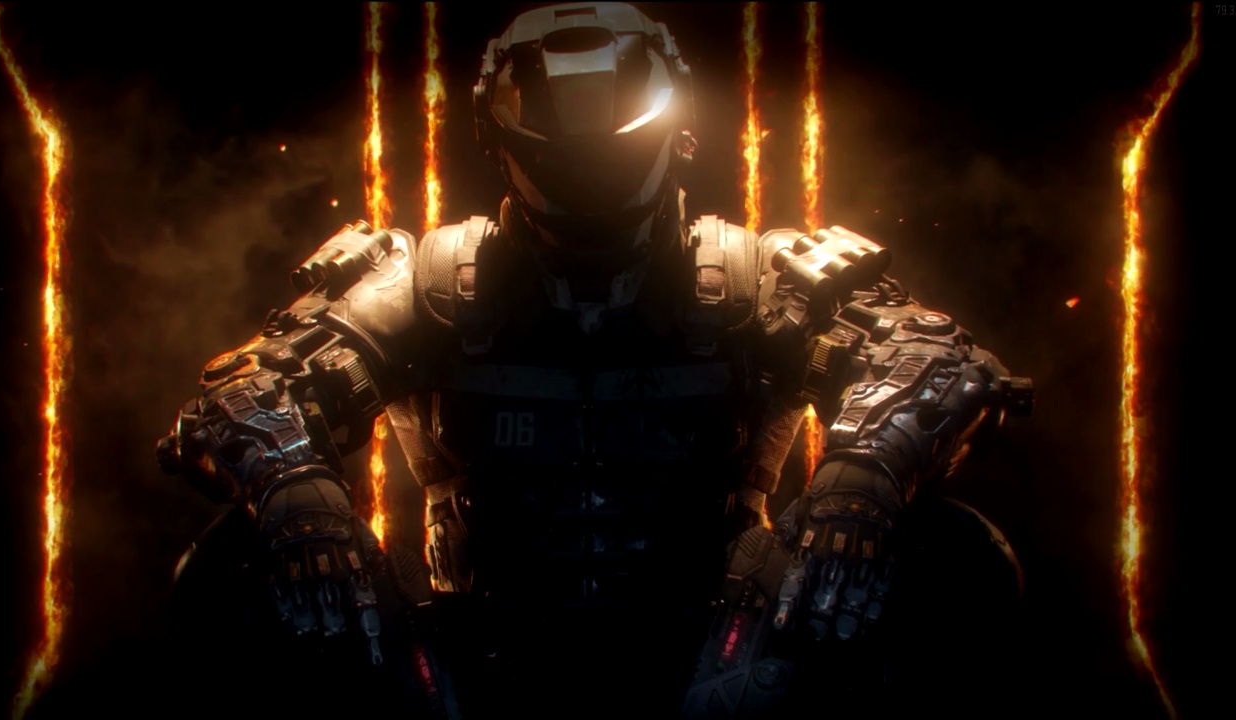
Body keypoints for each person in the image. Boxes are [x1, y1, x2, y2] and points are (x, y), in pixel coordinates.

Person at [156, 3, 1033, 718]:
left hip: (727, 663)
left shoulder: (755, 275)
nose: (589, 164)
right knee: (235, 565)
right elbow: (248, 389)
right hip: (476, 670)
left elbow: (934, 359)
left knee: (951, 554)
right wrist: (296, 493)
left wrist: (863, 474)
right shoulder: (431, 280)